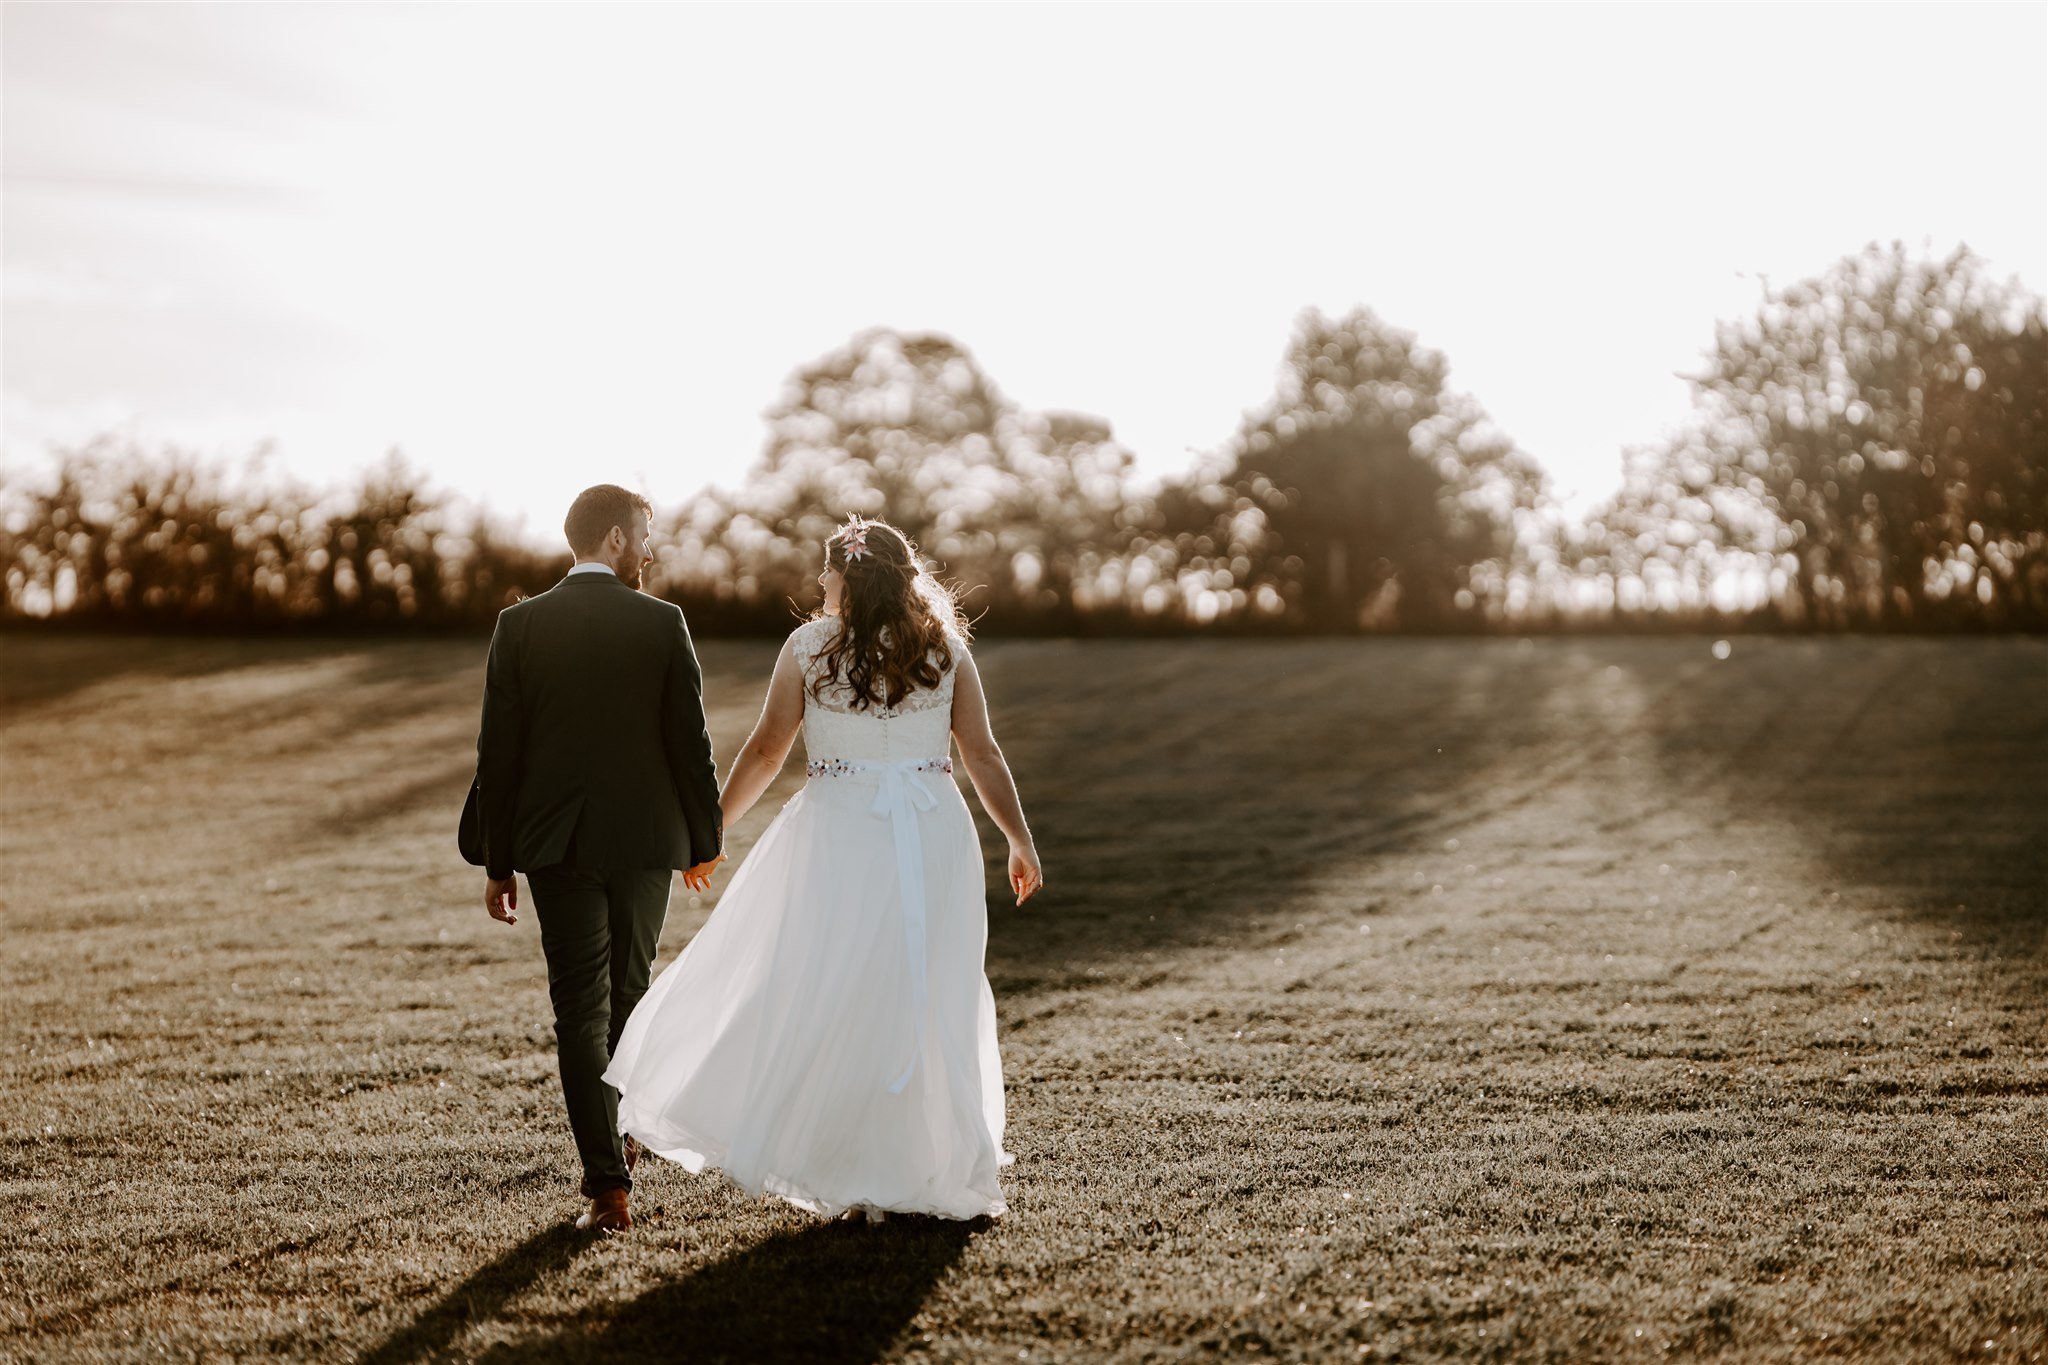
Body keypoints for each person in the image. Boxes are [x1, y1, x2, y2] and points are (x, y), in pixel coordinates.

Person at [603, 514, 1041, 1223]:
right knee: (924, 991)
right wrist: (1018, 838)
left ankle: (871, 1169)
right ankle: (906, 1166)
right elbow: (981, 754)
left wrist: (711, 831)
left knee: (838, 987)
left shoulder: (810, 646)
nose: (819, 581)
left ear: (849, 575)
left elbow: (768, 748)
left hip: (842, 827)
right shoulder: (943, 646)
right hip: (929, 826)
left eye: (827, 570)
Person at [467, 484, 725, 1234]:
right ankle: (623, 1134)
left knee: (580, 1010)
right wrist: (702, 843)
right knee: (630, 994)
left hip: (556, 844)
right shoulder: (662, 621)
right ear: (614, 539)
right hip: (646, 842)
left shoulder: (518, 626)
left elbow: (499, 753)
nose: (651, 550)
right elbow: (691, 742)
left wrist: (498, 861)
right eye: (645, 534)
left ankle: (607, 1188)